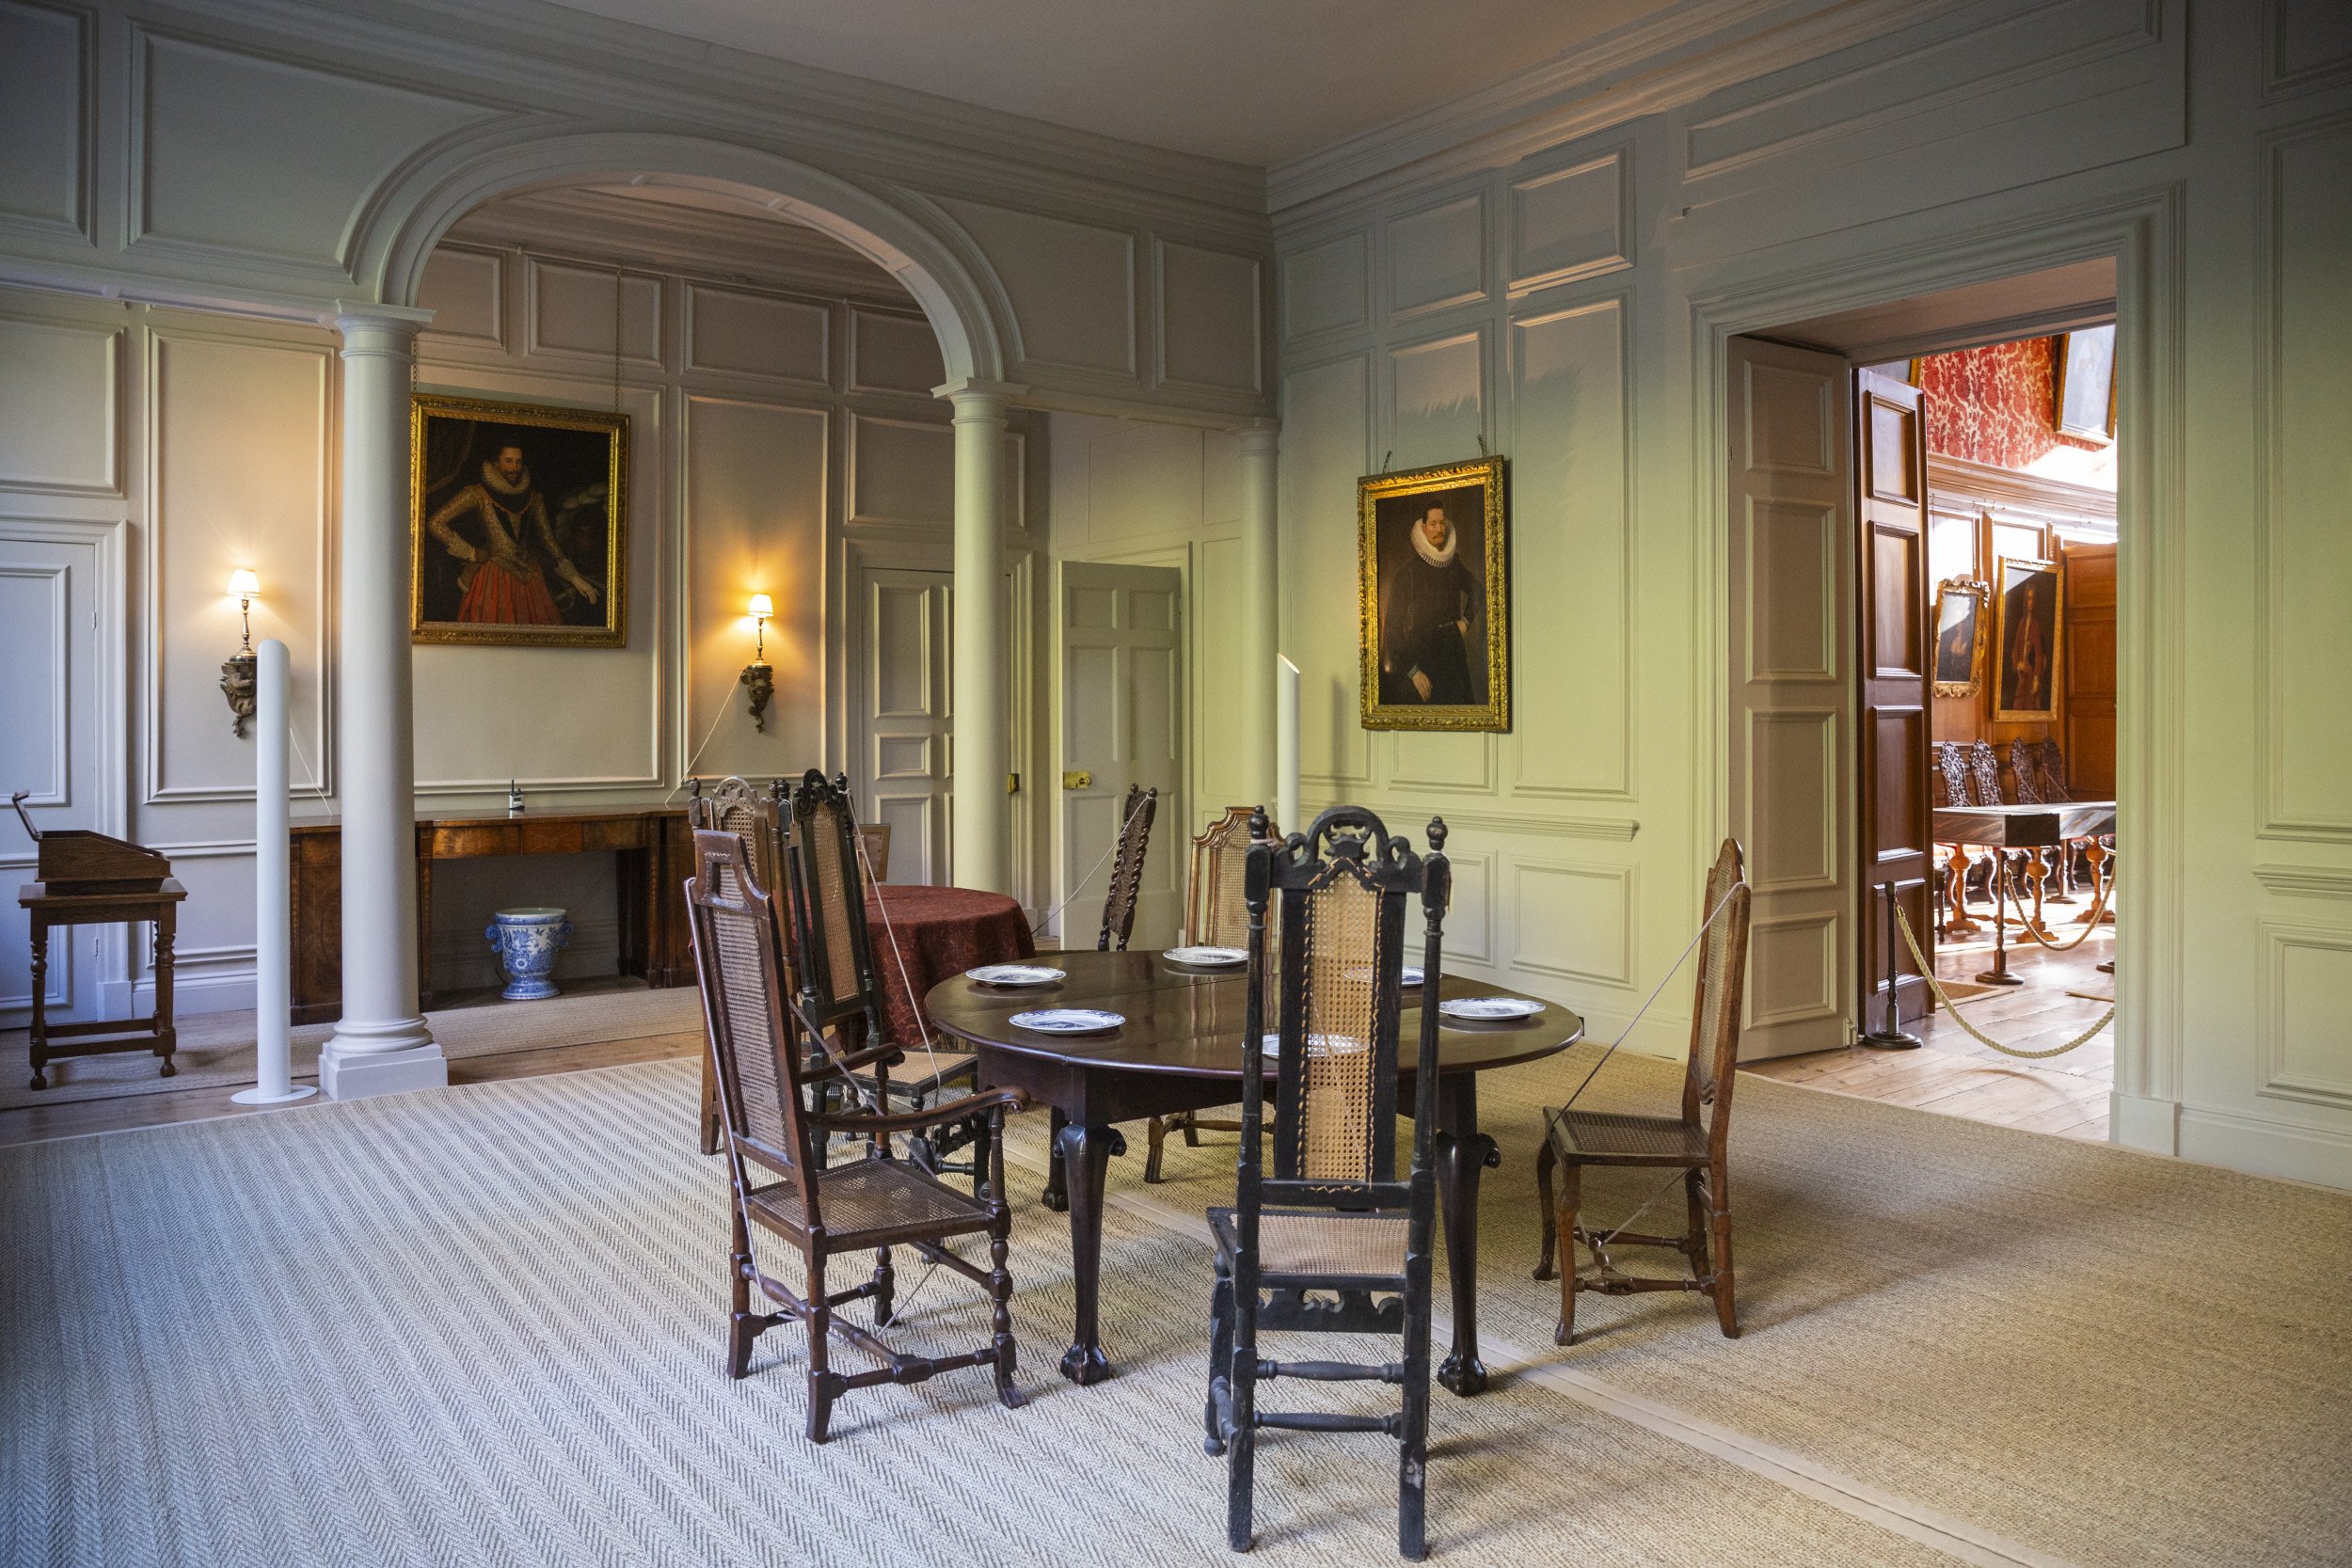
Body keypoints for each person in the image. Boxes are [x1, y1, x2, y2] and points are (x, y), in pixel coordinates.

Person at [425, 443, 603, 626]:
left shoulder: (534, 498)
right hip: (493, 577)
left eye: (518, 462)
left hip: (530, 576)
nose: (514, 468)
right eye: (508, 461)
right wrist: (471, 553)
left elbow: (548, 539)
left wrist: (574, 577)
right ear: (495, 463)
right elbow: (436, 523)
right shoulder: (477, 494)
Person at [1378, 499, 1482, 705]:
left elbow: (1479, 592)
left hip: (1453, 654)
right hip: (1421, 656)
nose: (1438, 529)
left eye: (1442, 523)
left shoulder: (1454, 564)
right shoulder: (1408, 571)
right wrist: (1414, 672)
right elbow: (1393, 627)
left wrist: (1465, 621)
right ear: (1424, 528)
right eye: (1433, 524)